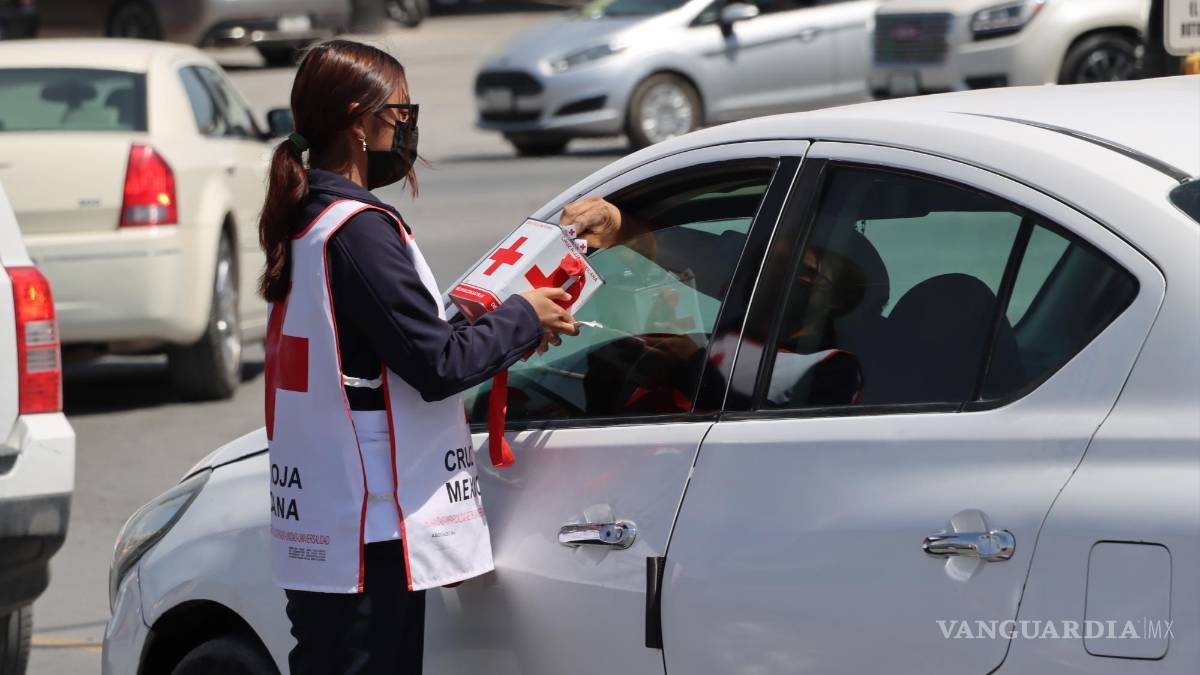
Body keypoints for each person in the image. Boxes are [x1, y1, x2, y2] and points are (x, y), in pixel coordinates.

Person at [258, 40, 578, 675]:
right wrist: (524, 316)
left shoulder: (310, 218)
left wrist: (501, 323)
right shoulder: (357, 228)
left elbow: (394, 344)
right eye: (400, 111)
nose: (408, 127)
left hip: (332, 516)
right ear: (359, 120)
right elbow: (436, 364)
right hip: (367, 526)